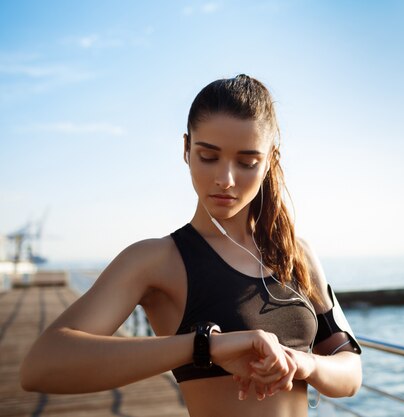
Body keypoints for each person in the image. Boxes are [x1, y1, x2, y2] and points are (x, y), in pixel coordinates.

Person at [20, 74, 362, 417]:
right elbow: (41, 366)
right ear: (186, 149)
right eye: (208, 156)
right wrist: (205, 346)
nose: (225, 179)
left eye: (247, 162)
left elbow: (351, 373)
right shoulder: (157, 260)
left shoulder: (297, 255)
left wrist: (303, 363)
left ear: (271, 160)